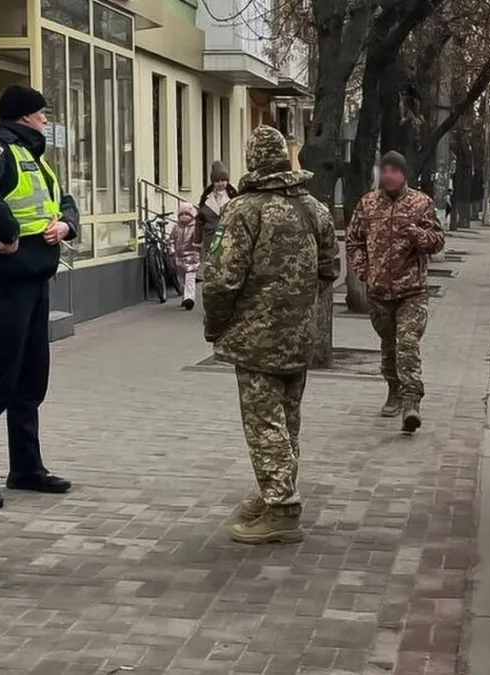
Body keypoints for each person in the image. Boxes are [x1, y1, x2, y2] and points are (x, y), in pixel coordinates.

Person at [202, 125, 340, 545]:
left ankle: (281, 508)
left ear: (253, 162)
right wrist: (300, 305)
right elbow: (330, 269)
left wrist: (216, 326)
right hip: (299, 336)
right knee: (287, 420)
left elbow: (221, 280)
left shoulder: (244, 210)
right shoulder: (314, 209)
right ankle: (273, 492)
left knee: (264, 423)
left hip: (256, 339)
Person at [0, 85, 80, 510]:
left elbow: (63, 201)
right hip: (5, 281)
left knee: (30, 380)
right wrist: (6, 230)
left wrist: (66, 225)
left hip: (35, 280)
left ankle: (26, 468)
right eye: (42, 113)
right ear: (25, 115)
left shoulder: (34, 156)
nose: (46, 119)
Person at [346, 151, 445, 433]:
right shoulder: (367, 204)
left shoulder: (421, 203)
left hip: (412, 291)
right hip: (379, 292)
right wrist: (364, 271)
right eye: (385, 170)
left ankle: (411, 403)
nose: (389, 175)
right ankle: (394, 389)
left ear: (404, 174)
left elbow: (437, 241)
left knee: (407, 344)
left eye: (395, 170)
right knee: (389, 346)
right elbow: (354, 241)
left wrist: (417, 235)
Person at [196, 161, 239, 252]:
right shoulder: (206, 198)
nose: (220, 184)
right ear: (213, 182)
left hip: (228, 238)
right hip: (210, 239)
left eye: (223, 180)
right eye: (217, 181)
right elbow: (199, 221)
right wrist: (197, 240)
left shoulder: (234, 197)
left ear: (227, 181)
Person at [169, 202, 201, 310]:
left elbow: (198, 240)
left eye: (187, 214)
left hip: (192, 257)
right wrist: (172, 251)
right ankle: (184, 296)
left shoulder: (195, 227)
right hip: (178, 258)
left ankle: (189, 298)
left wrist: (198, 248)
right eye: (181, 214)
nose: (184, 217)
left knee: (190, 278)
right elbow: (171, 240)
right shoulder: (176, 228)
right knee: (181, 279)